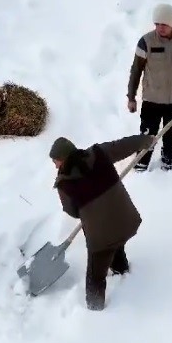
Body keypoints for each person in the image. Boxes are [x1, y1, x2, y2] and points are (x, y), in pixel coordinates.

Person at [49, 132, 156, 311]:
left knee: (95, 275)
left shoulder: (64, 183)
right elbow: (123, 145)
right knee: (116, 240)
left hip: (101, 235)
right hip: (124, 219)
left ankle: (95, 308)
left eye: (56, 161)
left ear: (64, 158)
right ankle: (122, 271)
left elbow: (72, 211)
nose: (55, 166)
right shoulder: (99, 153)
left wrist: (88, 207)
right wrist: (146, 140)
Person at [126, 3, 172, 171]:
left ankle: (168, 160)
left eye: (164, 24)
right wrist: (131, 97)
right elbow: (135, 71)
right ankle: (141, 164)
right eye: (157, 24)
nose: (160, 28)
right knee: (147, 135)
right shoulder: (146, 41)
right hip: (152, 99)